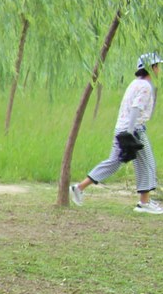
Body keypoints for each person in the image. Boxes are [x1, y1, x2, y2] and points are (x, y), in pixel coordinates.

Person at [70, 52, 163, 214]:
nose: (158, 69)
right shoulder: (145, 87)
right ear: (150, 68)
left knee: (114, 162)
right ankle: (144, 203)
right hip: (134, 130)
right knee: (147, 164)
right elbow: (136, 108)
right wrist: (130, 134)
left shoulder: (135, 83)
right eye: (157, 66)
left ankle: (78, 188)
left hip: (122, 128)